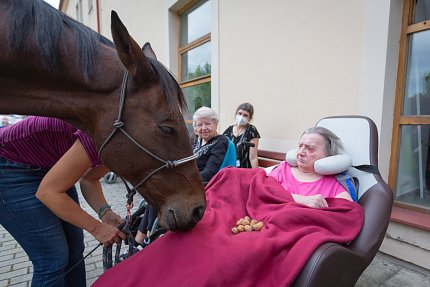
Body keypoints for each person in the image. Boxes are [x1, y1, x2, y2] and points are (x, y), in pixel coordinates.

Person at [0, 116, 126, 287]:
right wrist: (97, 229)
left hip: (48, 168)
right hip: (9, 167)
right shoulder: (108, 134)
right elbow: (49, 192)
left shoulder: (123, 143)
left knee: (75, 251)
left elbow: (89, 180)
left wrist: (106, 212)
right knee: (52, 259)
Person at [268, 126, 353, 208]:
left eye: (310, 149)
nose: (300, 152)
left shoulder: (335, 183)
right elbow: (259, 191)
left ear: (328, 155)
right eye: (300, 146)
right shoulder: (283, 169)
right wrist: (298, 199)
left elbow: (348, 213)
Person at [192, 106, 230, 186]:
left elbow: (209, 173)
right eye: (199, 125)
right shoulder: (197, 139)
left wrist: (188, 179)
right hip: (193, 180)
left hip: (206, 185)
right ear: (195, 128)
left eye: (208, 124)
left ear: (216, 124)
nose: (204, 128)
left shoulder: (221, 141)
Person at [223, 102, 260, 168]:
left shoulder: (251, 130)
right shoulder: (229, 130)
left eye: (245, 115)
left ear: (249, 118)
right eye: (240, 113)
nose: (241, 117)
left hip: (244, 169)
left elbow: (253, 157)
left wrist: (256, 174)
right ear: (236, 114)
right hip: (229, 168)